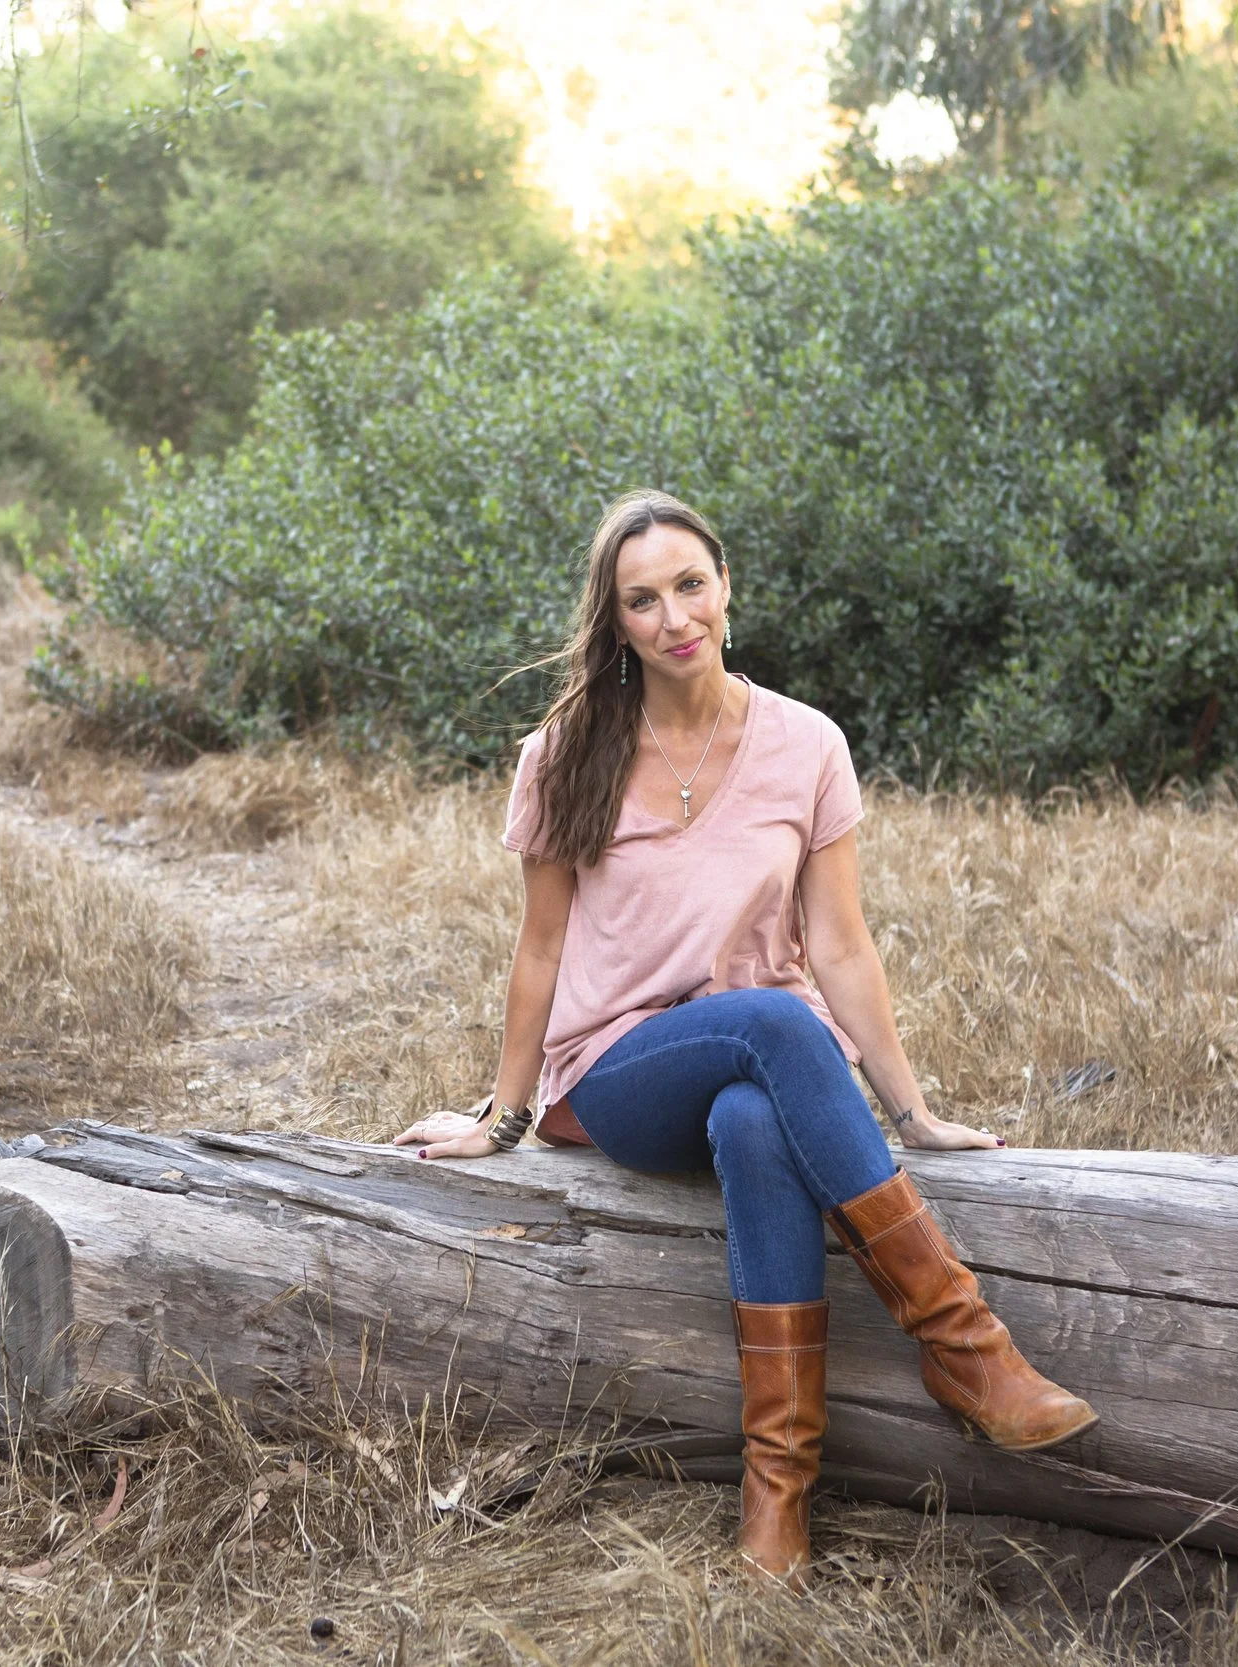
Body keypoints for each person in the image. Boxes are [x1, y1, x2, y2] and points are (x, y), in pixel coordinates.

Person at [392, 489, 1097, 1588]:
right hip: (620, 1072)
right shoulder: (566, 751)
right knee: (772, 1020)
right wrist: (505, 1113)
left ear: (725, 586)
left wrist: (915, 1110)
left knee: (755, 1117)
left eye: (688, 584)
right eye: (642, 598)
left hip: (769, 1058)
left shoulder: (804, 742)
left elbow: (842, 942)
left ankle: (777, 1492)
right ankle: (966, 1347)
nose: (673, 615)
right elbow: (538, 950)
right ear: (614, 620)